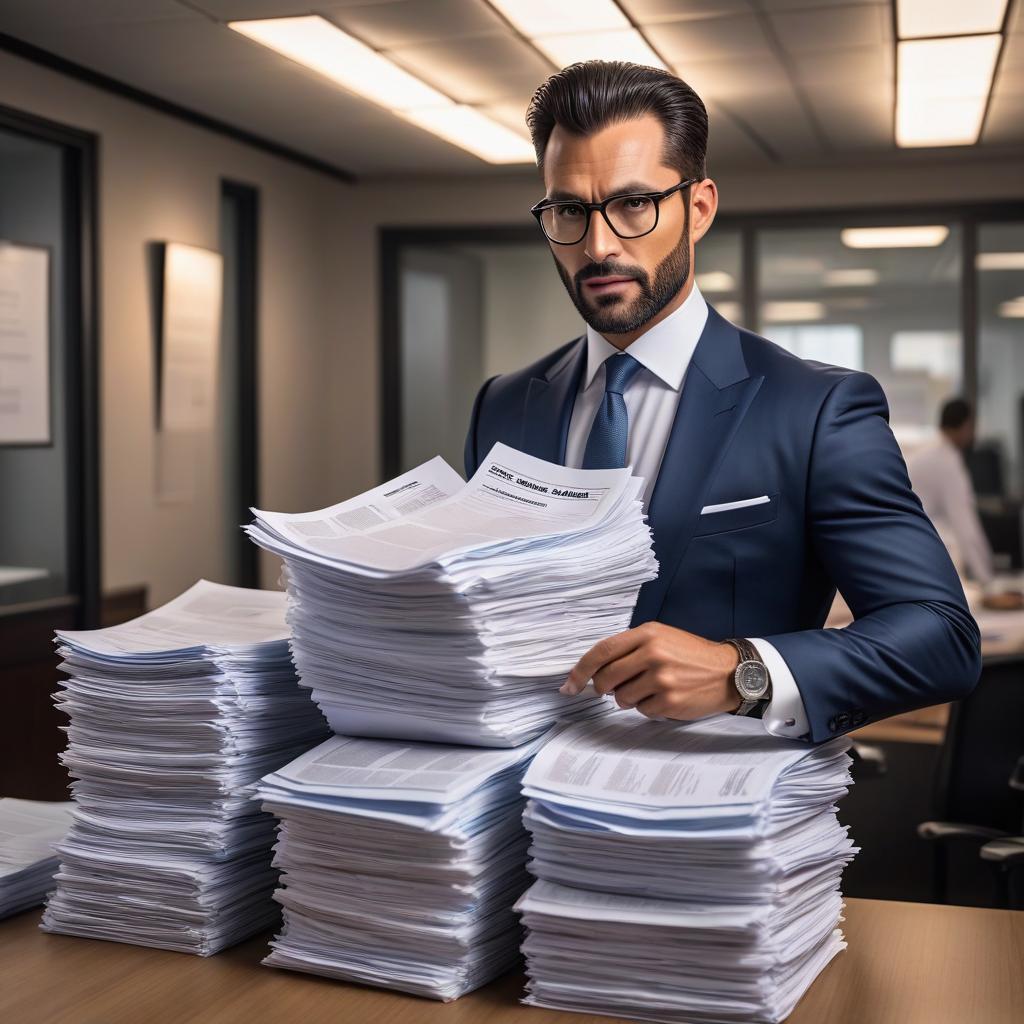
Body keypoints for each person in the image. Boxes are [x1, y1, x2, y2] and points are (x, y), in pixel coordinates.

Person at [463, 61, 980, 742]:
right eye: (568, 211)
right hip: (511, 808)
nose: (598, 244)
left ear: (698, 208)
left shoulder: (817, 409)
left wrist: (743, 672)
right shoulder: (503, 406)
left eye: (632, 204)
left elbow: (940, 638)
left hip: (708, 819)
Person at [907, 398, 1022, 610]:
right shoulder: (947, 461)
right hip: (932, 560)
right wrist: (988, 583)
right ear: (966, 426)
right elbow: (966, 527)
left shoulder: (926, 454)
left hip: (915, 559)